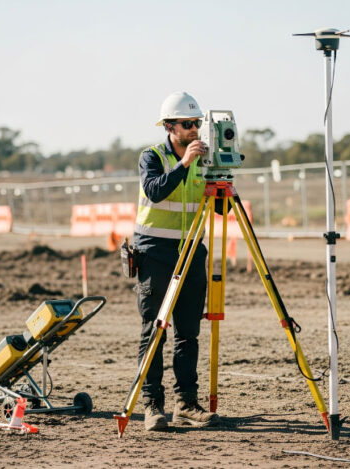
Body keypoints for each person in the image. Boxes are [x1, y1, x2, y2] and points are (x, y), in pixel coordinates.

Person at [133, 91, 220, 431]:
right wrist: (184, 165)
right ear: (169, 126)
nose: (195, 129)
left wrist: (222, 177)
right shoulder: (152, 157)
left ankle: (187, 403)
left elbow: (220, 206)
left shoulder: (206, 159)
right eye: (187, 124)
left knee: (189, 332)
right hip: (155, 252)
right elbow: (154, 191)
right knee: (154, 329)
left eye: (197, 123)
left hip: (192, 251)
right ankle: (152, 405)